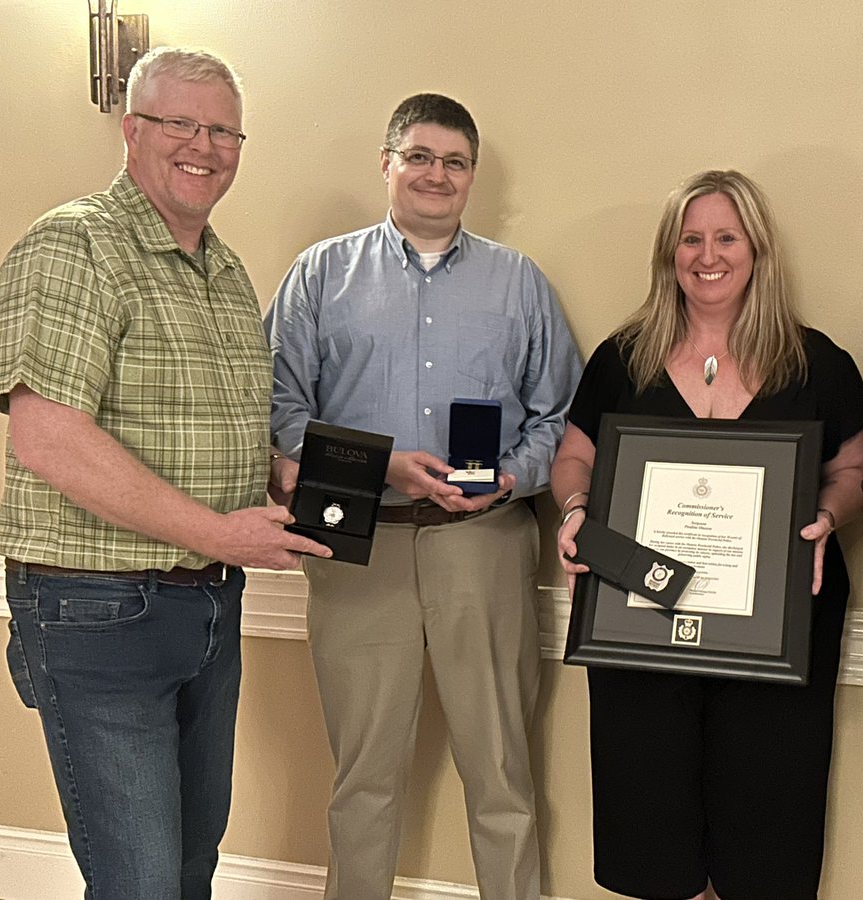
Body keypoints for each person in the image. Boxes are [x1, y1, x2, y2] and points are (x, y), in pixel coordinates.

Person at [0, 47, 331, 899]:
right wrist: (219, 531)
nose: (205, 146)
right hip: (97, 611)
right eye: (182, 123)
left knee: (186, 867)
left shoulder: (222, 269)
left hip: (206, 602)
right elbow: (49, 437)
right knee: (139, 882)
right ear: (132, 129)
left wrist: (276, 476)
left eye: (223, 130)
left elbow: (201, 423)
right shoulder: (75, 245)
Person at [265, 92, 581, 900]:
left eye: (454, 161)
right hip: (355, 543)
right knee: (363, 777)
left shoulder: (520, 284)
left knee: (501, 768)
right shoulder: (320, 274)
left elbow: (561, 416)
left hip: (486, 542)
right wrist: (381, 467)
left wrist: (514, 475)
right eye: (419, 156)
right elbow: (277, 409)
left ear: (472, 176)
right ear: (388, 163)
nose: (436, 174)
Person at [551, 169, 863, 900]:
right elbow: (574, 456)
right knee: (653, 828)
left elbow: (851, 469)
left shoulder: (816, 362)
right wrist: (574, 512)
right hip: (639, 629)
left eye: (726, 237)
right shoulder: (622, 357)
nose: (708, 254)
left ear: (758, 248)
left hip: (776, 633)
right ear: (669, 253)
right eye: (690, 239)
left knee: (769, 828)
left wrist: (830, 515)